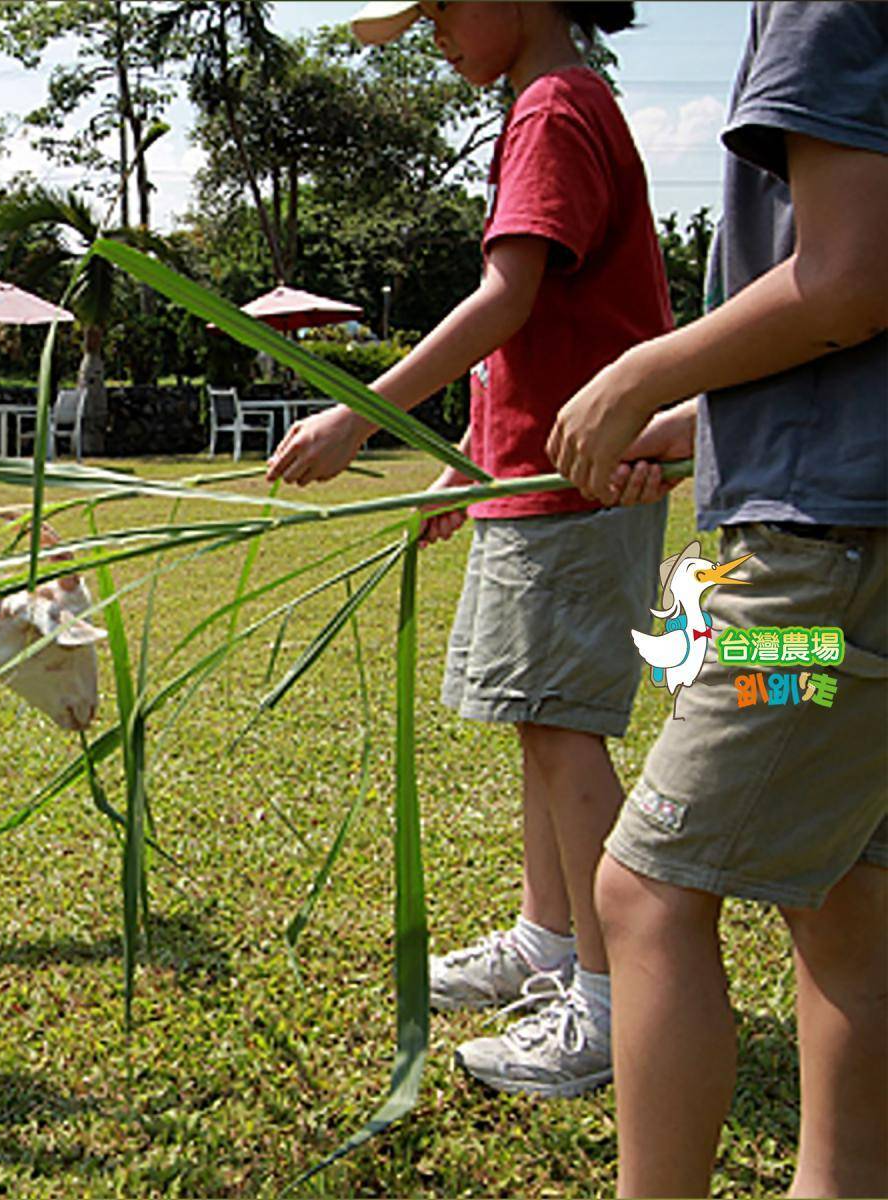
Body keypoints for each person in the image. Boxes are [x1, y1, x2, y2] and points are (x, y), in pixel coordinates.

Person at [268, 1, 672, 1096]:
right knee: (540, 727)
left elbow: (507, 298)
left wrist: (361, 412)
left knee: (562, 730)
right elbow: (538, 340)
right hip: (535, 480)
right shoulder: (550, 106)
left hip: (574, 490)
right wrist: (463, 464)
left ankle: (603, 997)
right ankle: (548, 939)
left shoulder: (553, 109)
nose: (435, 29)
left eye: (446, 4)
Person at [548, 2, 887, 1193]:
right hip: (855, 550)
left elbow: (847, 280)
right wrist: (694, 429)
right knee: (849, 895)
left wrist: (641, 369)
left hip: (813, 570)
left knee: (642, 891)